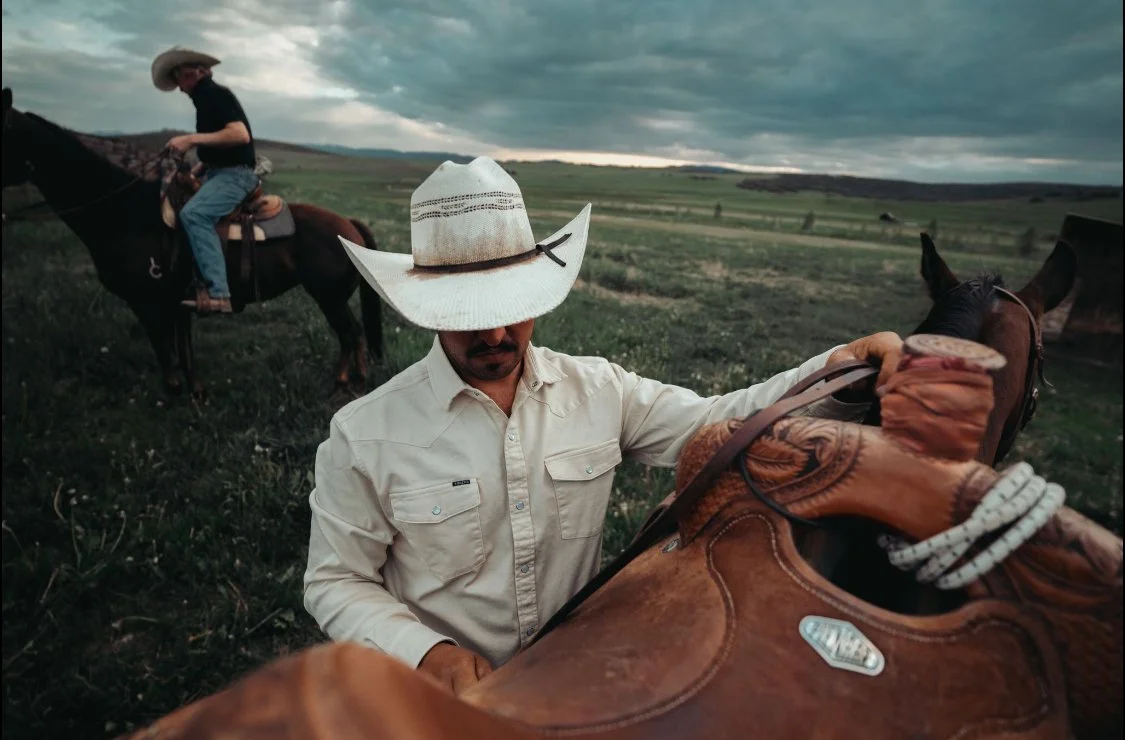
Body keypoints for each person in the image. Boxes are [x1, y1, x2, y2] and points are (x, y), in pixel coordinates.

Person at [302, 156, 902, 695]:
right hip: (435, 706)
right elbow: (335, 580)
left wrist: (838, 371)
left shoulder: (599, 391)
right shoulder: (364, 435)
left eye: (511, 307)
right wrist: (427, 654)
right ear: (430, 313)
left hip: (576, 685)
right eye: (469, 315)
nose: (495, 334)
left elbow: (722, 424)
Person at [151, 47, 259, 314]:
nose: (179, 87)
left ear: (191, 74)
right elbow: (216, 151)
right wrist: (194, 172)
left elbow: (240, 135)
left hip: (235, 175)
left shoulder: (213, 94)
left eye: (178, 78)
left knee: (194, 215)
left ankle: (219, 293)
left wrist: (190, 139)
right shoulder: (205, 98)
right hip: (218, 172)